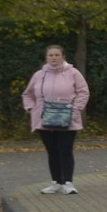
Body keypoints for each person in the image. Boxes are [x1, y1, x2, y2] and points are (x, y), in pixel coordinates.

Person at [22, 44, 90, 194]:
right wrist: (32, 109)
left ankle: (67, 183)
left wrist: (75, 109)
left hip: (66, 118)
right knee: (52, 151)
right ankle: (56, 182)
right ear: (46, 57)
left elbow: (83, 92)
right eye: (51, 55)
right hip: (44, 119)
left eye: (57, 55)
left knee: (65, 150)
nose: (54, 58)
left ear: (63, 57)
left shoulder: (73, 73)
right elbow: (27, 94)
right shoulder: (39, 75)